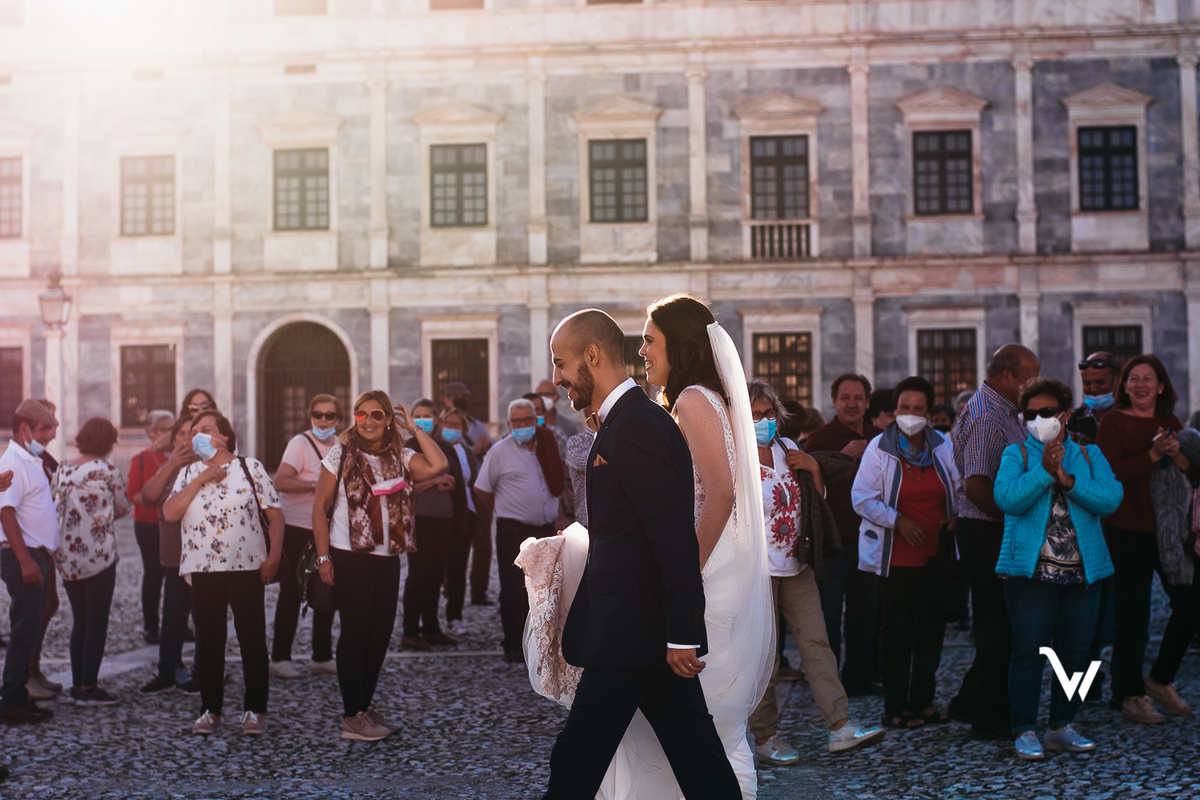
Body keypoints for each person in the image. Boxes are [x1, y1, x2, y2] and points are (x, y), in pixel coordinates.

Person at [541, 307, 744, 800]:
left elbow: (672, 537)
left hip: (631, 629)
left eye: (561, 363)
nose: (556, 378)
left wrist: (682, 634)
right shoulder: (624, 421)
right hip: (642, 630)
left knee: (577, 757)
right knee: (699, 760)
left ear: (592, 356)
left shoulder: (635, 424)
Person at [745, 379, 884, 765]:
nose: (763, 420)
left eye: (768, 413)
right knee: (767, 658)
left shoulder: (789, 448)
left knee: (817, 643)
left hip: (796, 565)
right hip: (757, 572)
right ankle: (765, 734)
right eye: (755, 413)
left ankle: (840, 725)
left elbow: (815, 501)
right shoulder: (734, 456)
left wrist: (812, 468)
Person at [994, 377, 1123, 760]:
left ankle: (1062, 725)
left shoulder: (1088, 455)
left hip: (1083, 573)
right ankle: (1024, 728)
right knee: (1028, 651)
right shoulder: (1016, 453)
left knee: (1078, 653)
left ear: (1065, 414)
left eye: (1046, 412)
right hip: (1030, 574)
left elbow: (1110, 497)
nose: (1038, 419)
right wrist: (1045, 471)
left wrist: (1067, 479)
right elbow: (1007, 498)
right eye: (1030, 413)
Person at [311, 391, 447, 741]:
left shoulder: (400, 455)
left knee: (380, 635)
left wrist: (415, 429)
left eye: (376, 414)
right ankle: (351, 717)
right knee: (356, 634)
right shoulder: (339, 454)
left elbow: (437, 465)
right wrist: (324, 557)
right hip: (349, 555)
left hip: (388, 558)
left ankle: (364, 706)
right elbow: (319, 508)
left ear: (388, 418)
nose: (368, 421)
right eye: (360, 415)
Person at [163, 410, 285, 737]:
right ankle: (210, 710)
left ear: (224, 437)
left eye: (204, 430)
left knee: (252, 640)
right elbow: (170, 512)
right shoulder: (189, 472)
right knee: (210, 643)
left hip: (246, 565)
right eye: (193, 431)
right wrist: (202, 479)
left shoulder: (250, 468)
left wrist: (273, 557)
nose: (196, 436)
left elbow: (275, 516)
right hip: (203, 568)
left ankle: (255, 710)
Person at [853, 376, 961, 731]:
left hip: (936, 555)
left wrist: (957, 515)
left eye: (918, 409)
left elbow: (958, 487)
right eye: (904, 408)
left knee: (931, 630)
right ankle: (896, 705)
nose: (910, 414)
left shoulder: (943, 445)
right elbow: (863, 498)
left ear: (928, 413)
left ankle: (923, 701)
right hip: (895, 556)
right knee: (897, 631)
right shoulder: (879, 449)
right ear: (894, 410)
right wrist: (898, 521)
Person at [1096, 354, 1200, 723]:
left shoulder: (1169, 422)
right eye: (1133, 378)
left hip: (1169, 531)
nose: (1140, 384)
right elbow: (1109, 473)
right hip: (1128, 529)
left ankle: (1160, 678)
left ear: (1160, 386)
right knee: (1133, 616)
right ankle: (1131, 694)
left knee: (1191, 602)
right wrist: (1152, 454)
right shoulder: (1112, 422)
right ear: (1124, 386)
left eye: (1147, 378)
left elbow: (1184, 472)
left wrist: (1176, 456)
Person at [949, 344, 1041, 740]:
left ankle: (971, 701)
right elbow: (976, 485)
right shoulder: (988, 416)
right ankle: (988, 716)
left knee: (1000, 622)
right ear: (1007, 375)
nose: (1033, 385)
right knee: (997, 623)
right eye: (1030, 377)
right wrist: (1019, 516)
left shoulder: (1003, 411)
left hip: (994, 527)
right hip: (988, 529)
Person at [805, 373, 883, 696]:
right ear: (834, 402)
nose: (852, 404)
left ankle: (860, 676)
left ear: (867, 402)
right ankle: (828, 682)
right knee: (829, 613)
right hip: (833, 541)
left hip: (870, 538)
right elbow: (809, 484)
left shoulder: (881, 437)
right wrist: (845, 455)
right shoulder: (820, 438)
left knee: (867, 612)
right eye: (845, 398)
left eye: (858, 398)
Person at [474, 398, 562, 663]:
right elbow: (482, 489)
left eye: (527, 420)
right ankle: (513, 645)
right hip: (512, 529)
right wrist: (507, 508)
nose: (522, 425)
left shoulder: (547, 444)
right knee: (513, 590)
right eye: (517, 422)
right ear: (509, 423)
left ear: (536, 420)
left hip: (545, 529)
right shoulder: (500, 451)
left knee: (544, 590)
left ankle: (540, 644)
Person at [52, 417, 131, 706]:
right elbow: (122, 507)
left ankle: (76, 685)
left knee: (80, 620)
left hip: (68, 556)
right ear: (108, 442)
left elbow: (53, 504)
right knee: (97, 623)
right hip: (99, 555)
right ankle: (88, 688)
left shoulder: (63, 468)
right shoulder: (108, 470)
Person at [268, 393, 341, 679]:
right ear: (310, 416)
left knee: (327, 586)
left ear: (338, 419)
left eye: (329, 415)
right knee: (291, 591)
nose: (323, 420)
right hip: (298, 526)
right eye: (318, 414)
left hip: (328, 526)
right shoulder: (300, 443)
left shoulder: (340, 445)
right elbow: (281, 480)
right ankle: (280, 658)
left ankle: (322, 656)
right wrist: (317, 482)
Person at [0, 399, 62, 723]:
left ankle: (18, 695)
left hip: (35, 554)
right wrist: (26, 561)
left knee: (29, 630)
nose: (50, 436)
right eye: (44, 430)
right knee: (24, 630)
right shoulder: (13, 461)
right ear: (25, 429)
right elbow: (5, 512)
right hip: (21, 555)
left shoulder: (29, 458)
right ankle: (10, 702)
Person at [138, 414, 201, 694]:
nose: (188, 439)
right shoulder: (168, 467)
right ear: (174, 440)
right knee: (173, 616)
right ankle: (167, 670)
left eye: (194, 433)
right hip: (176, 555)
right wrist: (172, 462)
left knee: (204, 617)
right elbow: (148, 497)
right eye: (182, 434)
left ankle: (205, 670)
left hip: (206, 556)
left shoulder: (212, 466)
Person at [401, 399, 461, 650]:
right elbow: (402, 488)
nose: (423, 419)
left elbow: (456, 481)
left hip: (444, 518)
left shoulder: (445, 446)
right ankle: (410, 630)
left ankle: (432, 627)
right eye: (418, 415)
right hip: (418, 520)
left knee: (436, 574)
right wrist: (434, 482)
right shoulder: (407, 448)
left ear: (436, 419)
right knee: (418, 575)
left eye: (427, 415)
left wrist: (450, 483)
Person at [443, 381, 495, 606]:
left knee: (483, 544)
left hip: (479, 488)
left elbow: (491, 447)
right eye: (457, 396)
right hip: (454, 492)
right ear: (446, 400)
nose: (462, 400)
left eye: (465, 396)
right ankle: (450, 588)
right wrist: (474, 449)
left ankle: (479, 591)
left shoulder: (476, 425)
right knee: (453, 545)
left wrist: (485, 447)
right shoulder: (442, 426)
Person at [126, 409, 174, 645]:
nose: (170, 434)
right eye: (165, 429)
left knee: (176, 575)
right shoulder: (141, 459)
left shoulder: (179, 457)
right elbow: (132, 494)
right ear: (151, 432)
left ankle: (177, 623)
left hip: (173, 524)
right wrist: (151, 498)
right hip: (148, 524)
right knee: (154, 573)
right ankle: (151, 625)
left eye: (172, 428)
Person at [438, 406, 480, 637]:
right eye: (448, 424)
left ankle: (455, 616)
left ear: (463, 429)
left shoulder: (466, 451)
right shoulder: (434, 447)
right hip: (439, 515)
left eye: (456, 425)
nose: (452, 428)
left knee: (458, 569)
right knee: (434, 569)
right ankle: (430, 619)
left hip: (465, 515)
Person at [1068, 352, 1121, 446]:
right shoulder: (1073, 419)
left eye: (1100, 382)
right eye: (1087, 384)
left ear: (1118, 379)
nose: (1093, 389)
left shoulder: (1130, 417)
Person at [563, 410, 596, 529]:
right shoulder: (577, 442)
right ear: (589, 410)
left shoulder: (617, 437)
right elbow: (590, 463)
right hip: (588, 521)